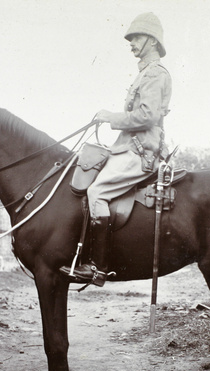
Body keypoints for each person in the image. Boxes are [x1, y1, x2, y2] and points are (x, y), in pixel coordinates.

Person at [61, 12, 172, 286]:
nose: (131, 43)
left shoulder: (155, 74)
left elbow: (146, 116)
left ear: (152, 41)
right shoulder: (144, 73)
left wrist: (110, 117)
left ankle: (98, 267)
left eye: (136, 37)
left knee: (96, 191)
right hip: (127, 148)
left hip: (140, 153)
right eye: (131, 38)